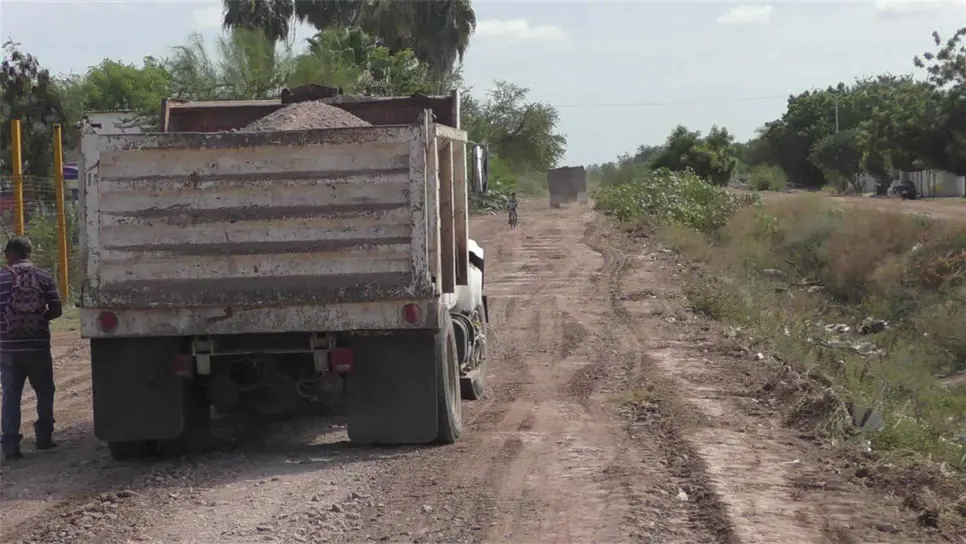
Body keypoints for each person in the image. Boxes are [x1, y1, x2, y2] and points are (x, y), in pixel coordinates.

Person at [0, 236, 62, 460]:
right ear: (29, 253)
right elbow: (57, 309)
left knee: (11, 394)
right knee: (45, 390)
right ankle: (44, 437)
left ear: (10, 254)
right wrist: (39, 319)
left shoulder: (2, 277)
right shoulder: (44, 277)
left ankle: (10, 446)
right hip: (38, 346)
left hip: (8, 348)